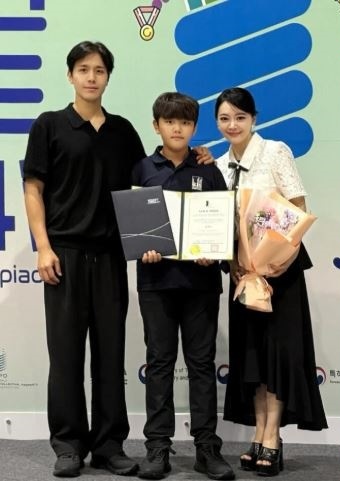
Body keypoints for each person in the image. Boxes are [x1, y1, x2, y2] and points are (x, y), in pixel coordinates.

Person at [22, 41, 211, 479]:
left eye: (100, 70)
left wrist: (200, 157)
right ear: (70, 75)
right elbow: (33, 189)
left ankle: (109, 445)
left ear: (108, 77)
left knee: (110, 355)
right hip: (65, 255)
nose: (91, 77)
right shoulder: (49, 125)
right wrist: (43, 247)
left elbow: (151, 179)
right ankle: (69, 444)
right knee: (66, 355)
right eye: (83, 69)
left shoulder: (123, 131)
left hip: (110, 256)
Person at [214, 87, 327, 477]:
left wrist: (276, 259)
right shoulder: (219, 166)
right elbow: (222, 225)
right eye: (225, 118)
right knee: (253, 358)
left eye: (240, 117)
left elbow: (298, 208)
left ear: (254, 119)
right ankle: (258, 433)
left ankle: (272, 438)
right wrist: (235, 264)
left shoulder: (275, 152)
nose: (233, 125)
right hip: (244, 275)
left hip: (281, 272)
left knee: (278, 356)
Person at [131, 92, 235, 481]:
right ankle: (157, 448)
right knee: (159, 363)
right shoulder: (143, 169)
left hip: (201, 283)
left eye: (186, 122)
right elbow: (135, 223)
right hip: (156, 283)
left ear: (194, 127)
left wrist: (215, 252)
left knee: (201, 365)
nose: (178, 128)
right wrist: (144, 248)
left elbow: (224, 223)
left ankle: (207, 448)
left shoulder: (208, 169)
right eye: (170, 121)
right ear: (156, 125)